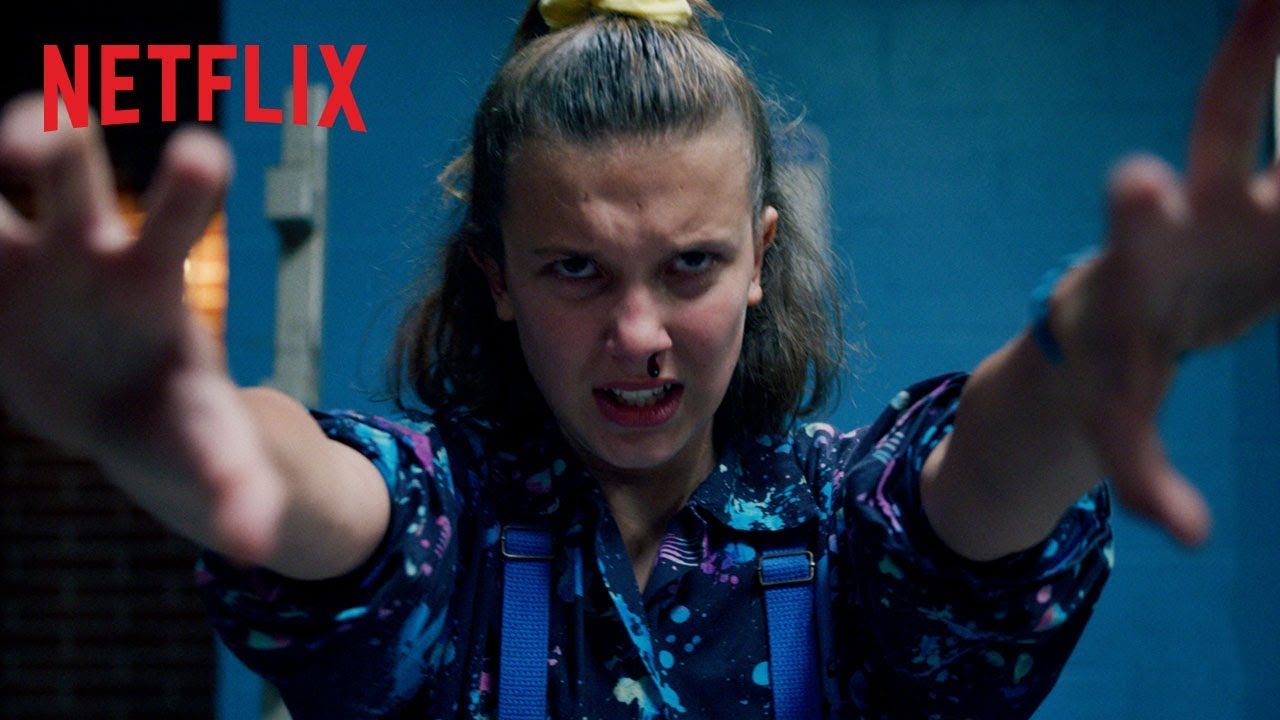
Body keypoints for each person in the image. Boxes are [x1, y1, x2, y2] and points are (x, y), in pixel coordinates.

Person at [1, 0, 1277, 717]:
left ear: (758, 257)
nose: (638, 336)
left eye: (689, 266)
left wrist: (1085, 347)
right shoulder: (448, 521)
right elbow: (324, 496)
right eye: (574, 269)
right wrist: (166, 421)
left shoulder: (841, 524)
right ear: (496, 279)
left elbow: (970, 494)